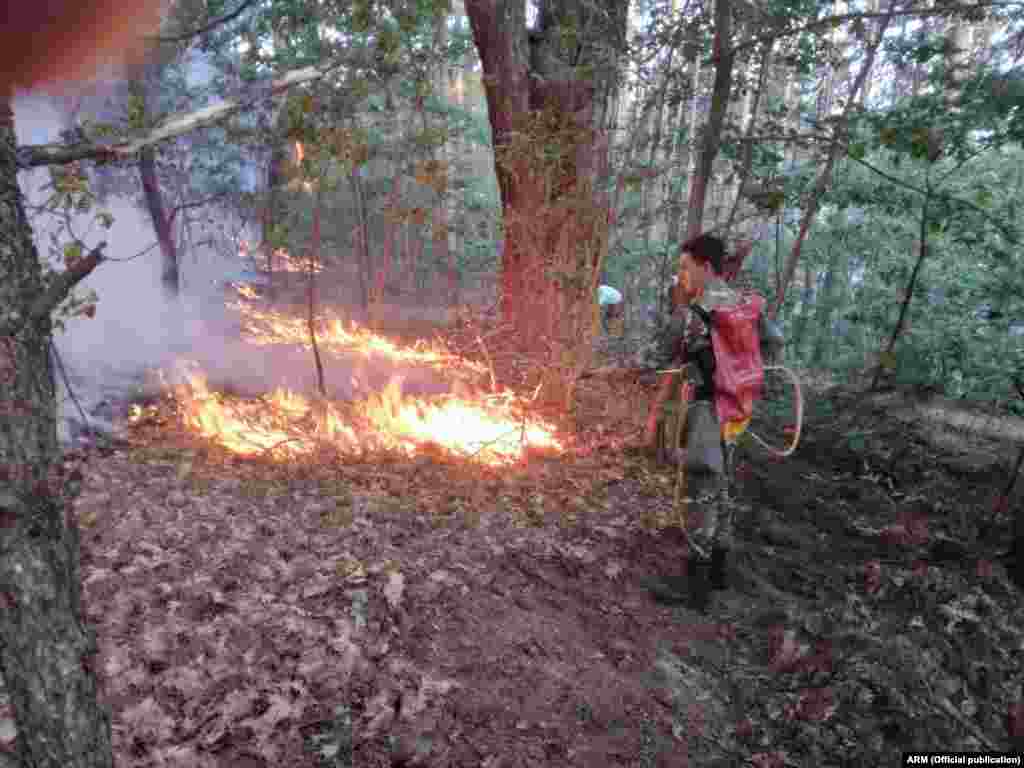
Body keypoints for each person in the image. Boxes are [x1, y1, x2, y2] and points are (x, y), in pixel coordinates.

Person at [635, 233, 742, 612]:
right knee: (722, 485)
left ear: (707, 268)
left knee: (698, 490)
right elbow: (772, 341)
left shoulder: (699, 313)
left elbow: (660, 361)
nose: (679, 275)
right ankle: (719, 570)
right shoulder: (739, 302)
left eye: (685, 267)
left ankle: (694, 588)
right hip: (738, 411)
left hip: (708, 410)